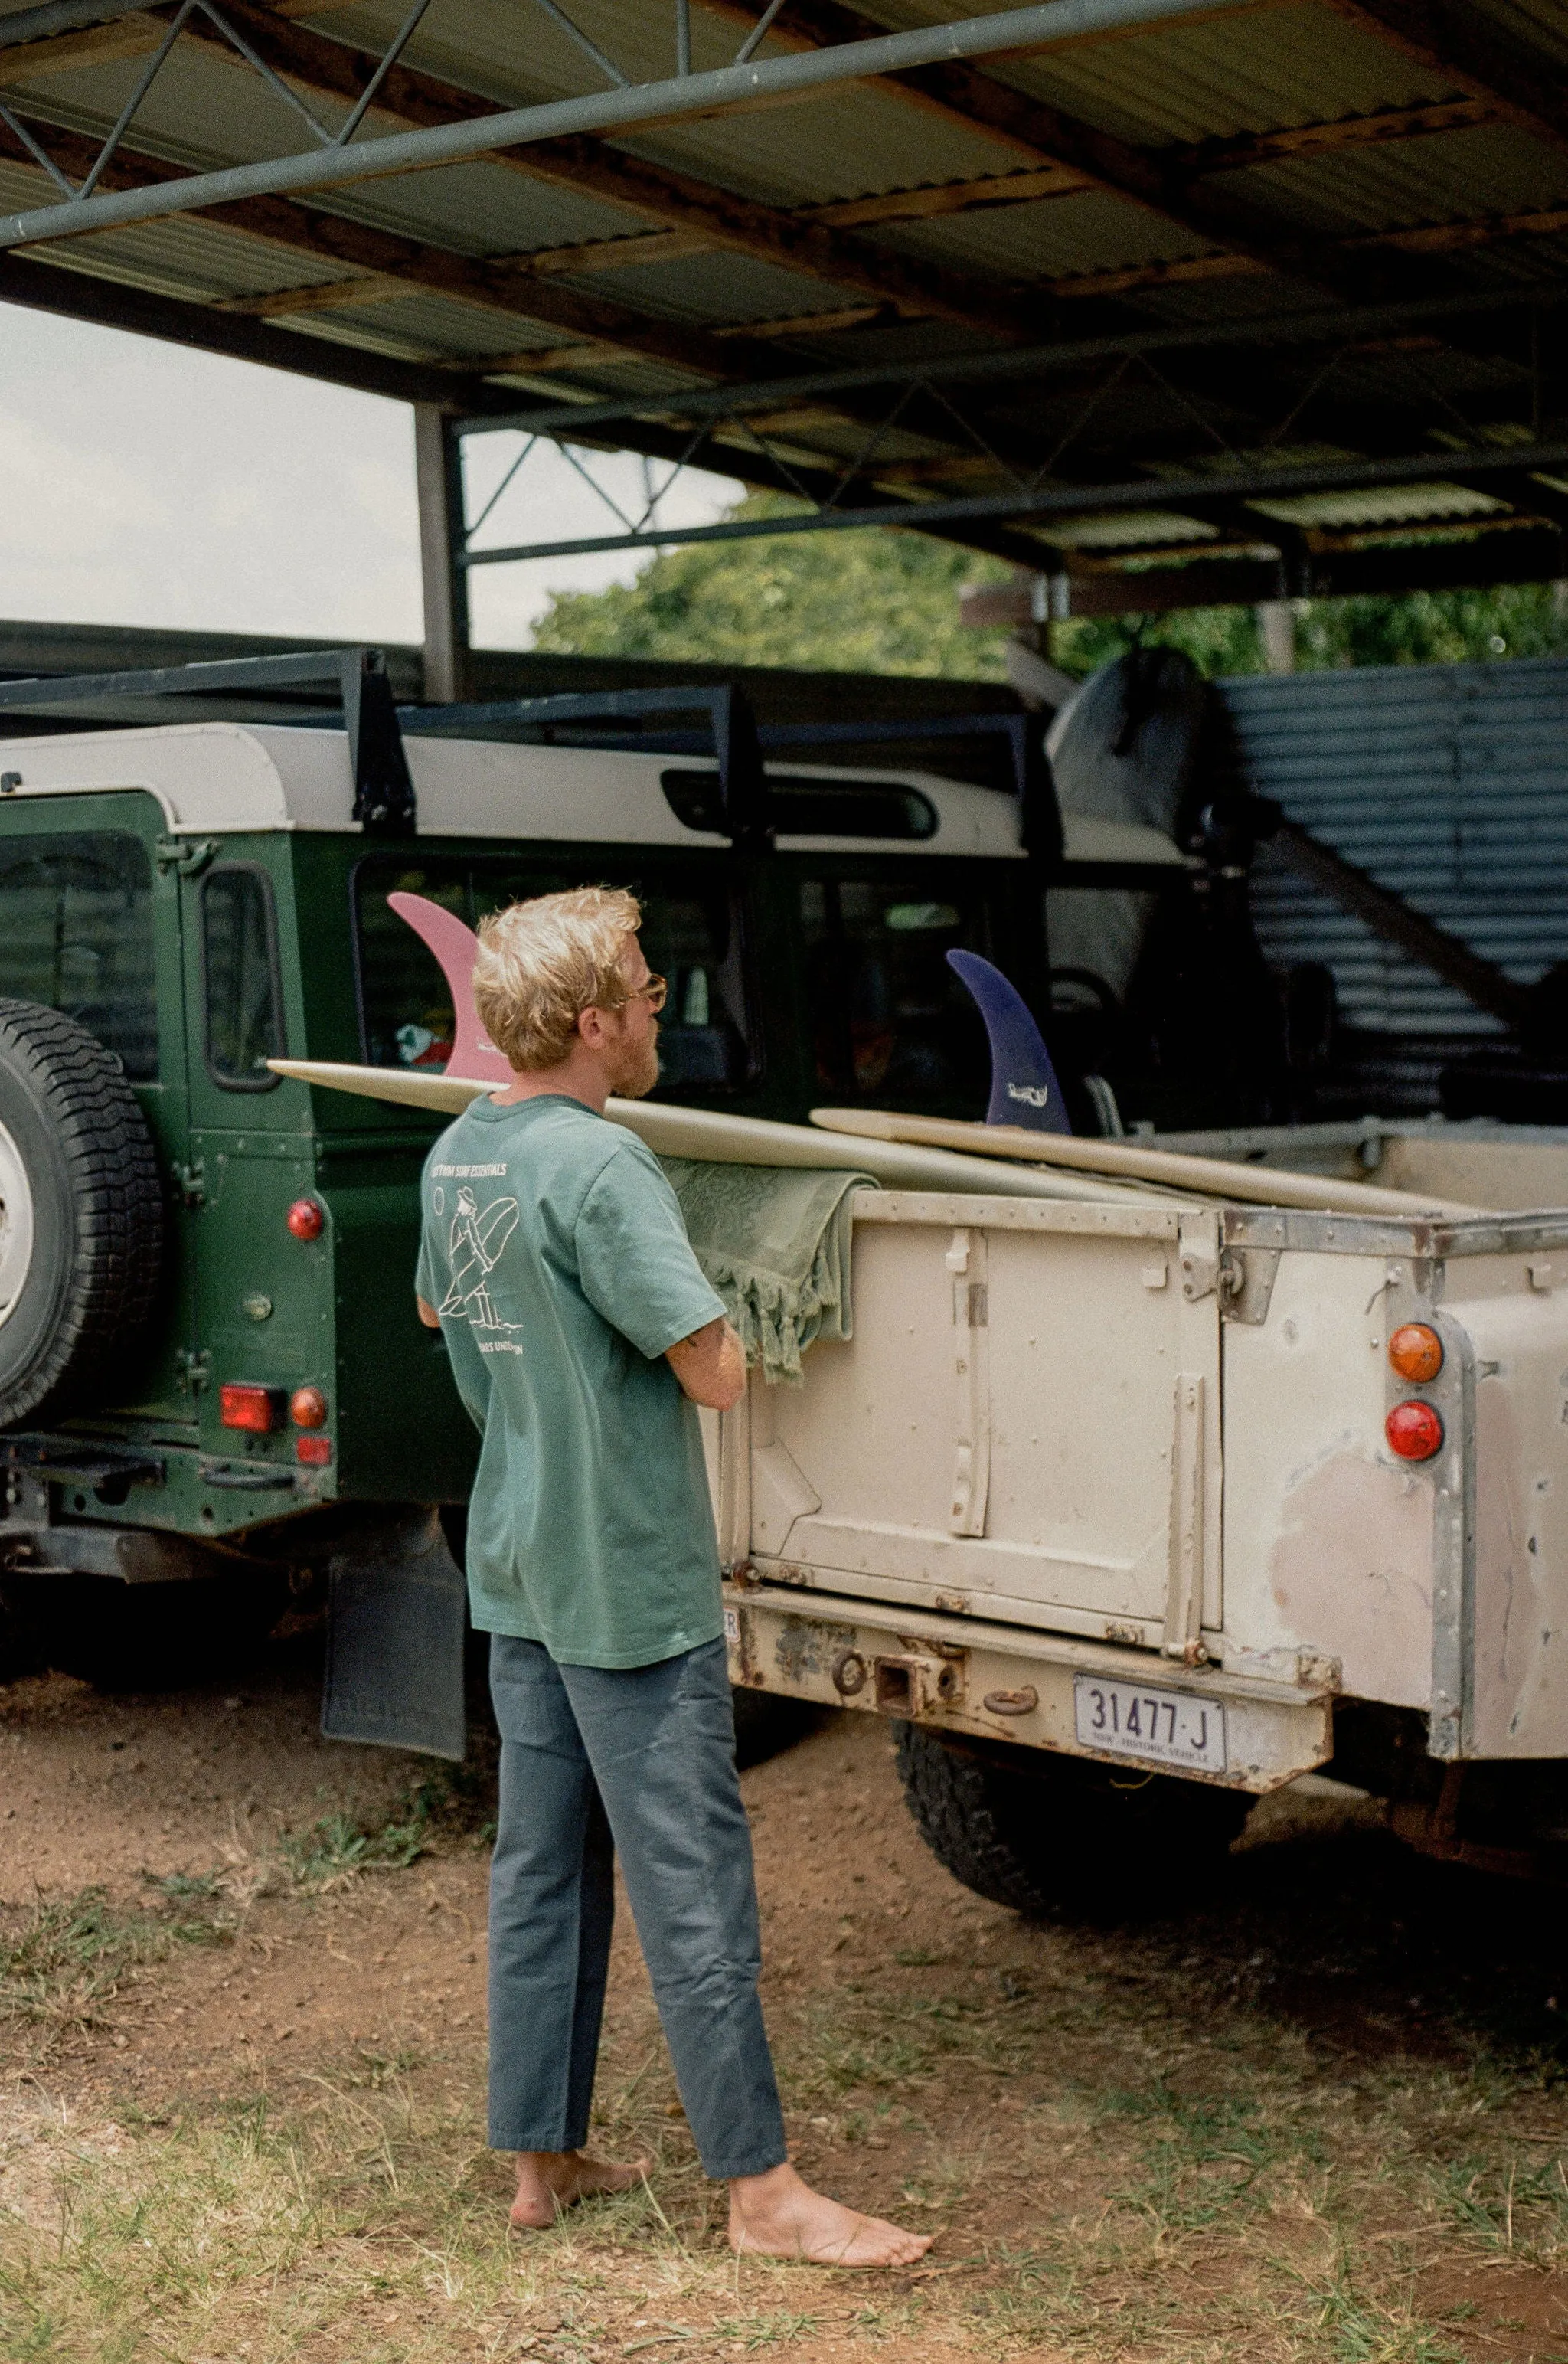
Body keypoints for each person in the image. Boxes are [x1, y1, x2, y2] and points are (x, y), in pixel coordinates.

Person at [415, 884, 931, 2270]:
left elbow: (439, 1314)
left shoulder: (459, 1152)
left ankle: (541, 2158)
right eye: (646, 990)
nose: (659, 1009)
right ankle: (761, 2190)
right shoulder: (603, 1166)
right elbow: (715, 1367)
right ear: (591, 1024)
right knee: (693, 1881)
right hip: (629, 1575)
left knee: (543, 1866)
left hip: (519, 1553)